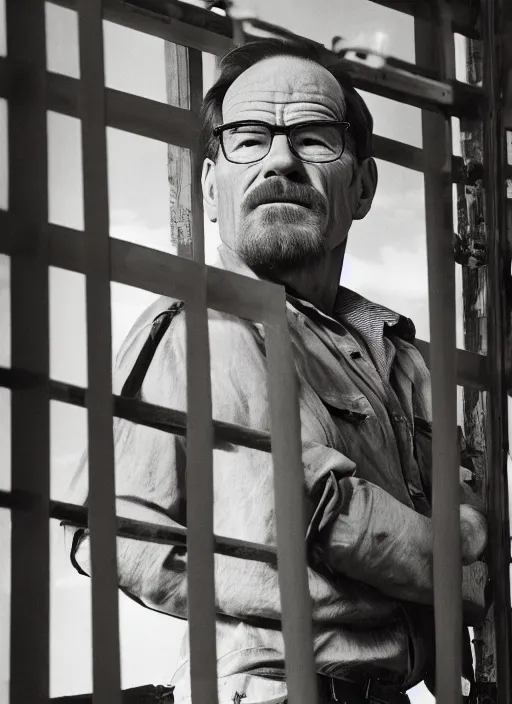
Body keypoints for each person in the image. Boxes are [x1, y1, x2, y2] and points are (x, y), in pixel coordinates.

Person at [66, 38, 489, 704]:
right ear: (211, 186)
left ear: (363, 186)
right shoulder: (196, 329)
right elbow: (111, 534)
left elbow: (475, 561)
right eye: (248, 139)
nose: (281, 161)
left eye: (315, 138)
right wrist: (383, 594)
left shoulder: (407, 360)